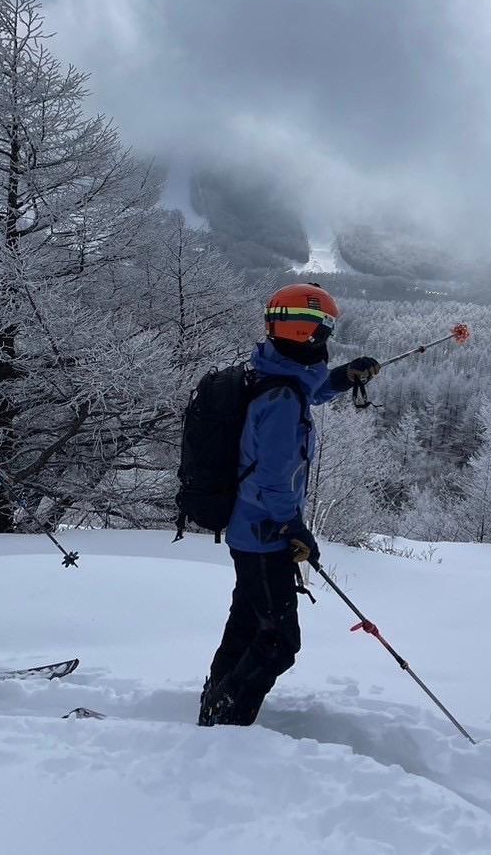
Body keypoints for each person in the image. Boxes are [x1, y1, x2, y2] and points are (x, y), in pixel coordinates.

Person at [198, 284, 380, 727]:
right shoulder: (281, 401)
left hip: (250, 531)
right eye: (324, 331)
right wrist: (294, 529)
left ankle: (215, 704)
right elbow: (273, 482)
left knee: (247, 620)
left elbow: (308, 390)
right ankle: (226, 719)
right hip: (265, 533)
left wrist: (341, 378)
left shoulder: (270, 374)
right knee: (279, 640)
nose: (327, 342)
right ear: (309, 334)